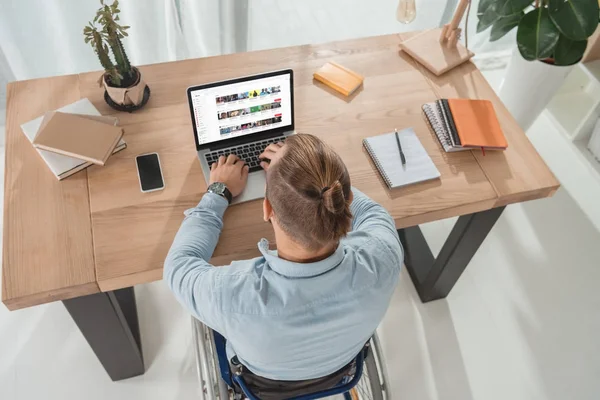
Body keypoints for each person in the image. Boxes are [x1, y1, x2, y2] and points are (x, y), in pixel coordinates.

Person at [164, 134, 402, 384]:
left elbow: (179, 264)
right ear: (347, 200)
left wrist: (219, 191)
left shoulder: (230, 295)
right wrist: (309, 172)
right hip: (341, 367)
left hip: (262, 380)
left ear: (267, 210)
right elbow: (373, 212)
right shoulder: (384, 257)